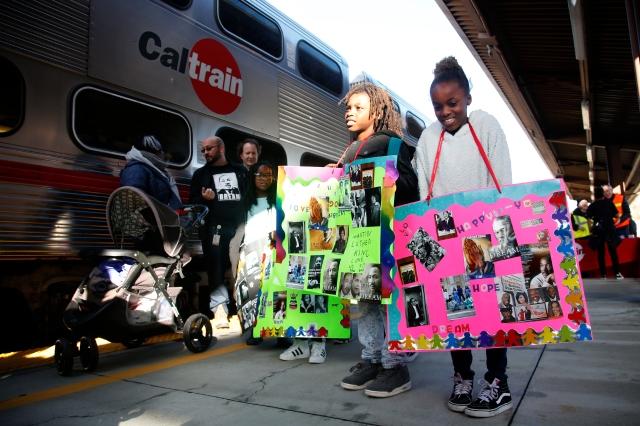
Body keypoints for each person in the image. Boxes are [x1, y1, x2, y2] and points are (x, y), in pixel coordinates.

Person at [414, 57, 513, 417]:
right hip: (443, 240)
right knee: (455, 311)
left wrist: (498, 237)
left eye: (452, 103)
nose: (445, 112)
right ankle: (462, 377)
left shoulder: (487, 125)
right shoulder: (427, 137)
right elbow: (425, 192)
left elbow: (501, 182)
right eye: (438, 106)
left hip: (484, 237)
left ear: (468, 97)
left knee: (489, 310)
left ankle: (498, 382)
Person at [335, 82, 418, 398]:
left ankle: (395, 364)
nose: (349, 113)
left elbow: (410, 185)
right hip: (357, 237)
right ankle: (371, 358)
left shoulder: (392, 143)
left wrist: (383, 176)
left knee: (388, 301)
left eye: (358, 107)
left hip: (387, 237)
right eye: (348, 108)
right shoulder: (349, 149)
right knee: (365, 299)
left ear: (377, 111)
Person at [190, 136, 246, 328]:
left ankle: (244, 307)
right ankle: (220, 310)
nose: (205, 153)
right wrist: (204, 199)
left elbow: (249, 197)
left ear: (221, 148)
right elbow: (193, 203)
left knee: (243, 269)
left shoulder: (239, 171)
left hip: (240, 228)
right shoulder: (200, 175)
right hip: (214, 230)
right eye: (203, 150)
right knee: (216, 269)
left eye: (209, 149)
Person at [234, 161, 277, 345]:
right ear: (252, 177)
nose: (263, 179)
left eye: (268, 175)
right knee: (251, 292)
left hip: (273, 248)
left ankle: (279, 333)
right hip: (251, 250)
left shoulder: (278, 199)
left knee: (275, 291)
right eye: (259, 175)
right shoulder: (245, 202)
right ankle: (254, 330)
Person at [120, 135, 182, 209]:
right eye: (160, 151)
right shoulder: (136, 170)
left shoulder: (152, 168)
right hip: (152, 219)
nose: (163, 153)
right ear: (152, 154)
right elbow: (134, 203)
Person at [587, 186, 624, 279]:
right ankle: (617, 273)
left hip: (599, 231)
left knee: (601, 253)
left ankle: (603, 275)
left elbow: (588, 220)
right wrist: (615, 223)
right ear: (603, 194)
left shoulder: (592, 206)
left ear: (594, 195)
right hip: (610, 230)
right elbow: (617, 215)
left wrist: (591, 228)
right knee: (613, 252)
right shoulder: (609, 203)